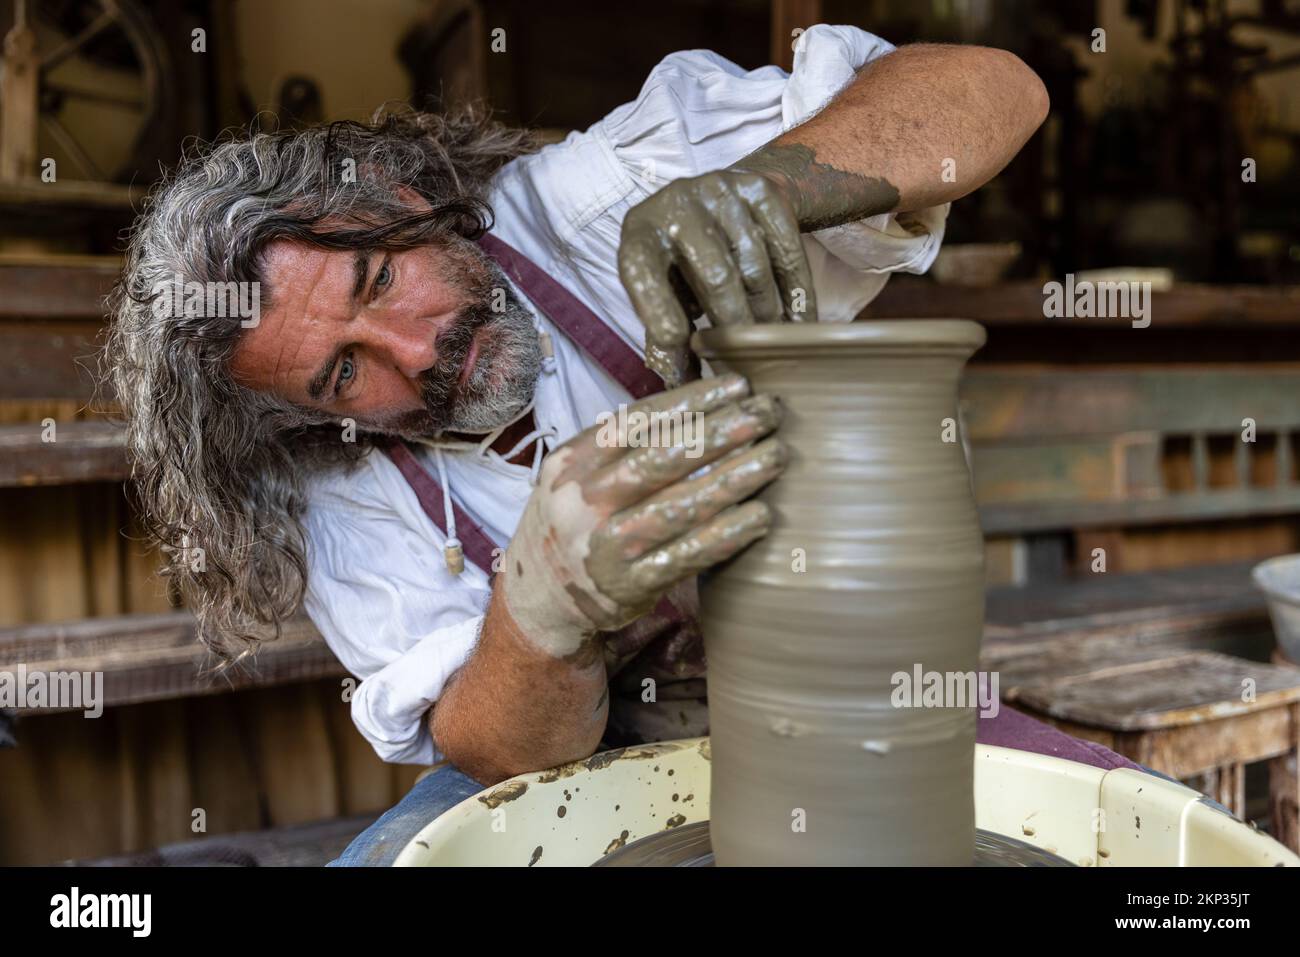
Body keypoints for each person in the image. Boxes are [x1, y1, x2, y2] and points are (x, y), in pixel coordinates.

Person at [106, 25, 1049, 865]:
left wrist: (771, 185)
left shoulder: (592, 200)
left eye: (380, 279)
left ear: (399, 193)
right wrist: (541, 610)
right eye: (343, 375)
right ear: (308, 419)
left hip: (868, 705)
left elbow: (995, 87)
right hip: (604, 753)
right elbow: (499, 750)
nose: (415, 350)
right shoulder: (336, 489)